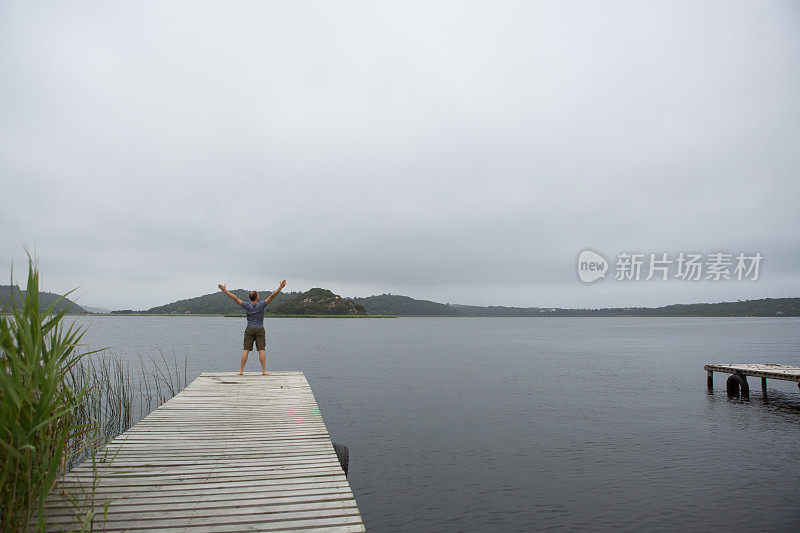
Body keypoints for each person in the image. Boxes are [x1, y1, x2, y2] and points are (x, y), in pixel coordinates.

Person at [218, 280, 286, 375]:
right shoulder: (261, 304)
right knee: (261, 350)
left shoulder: (246, 305)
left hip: (249, 329)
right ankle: (263, 371)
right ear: (257, 297)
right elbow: (272, 296)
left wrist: (225, 290)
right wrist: (281, 287)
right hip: (259, 329)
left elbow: (235, 298)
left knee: (246, 350)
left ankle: (241, 371)